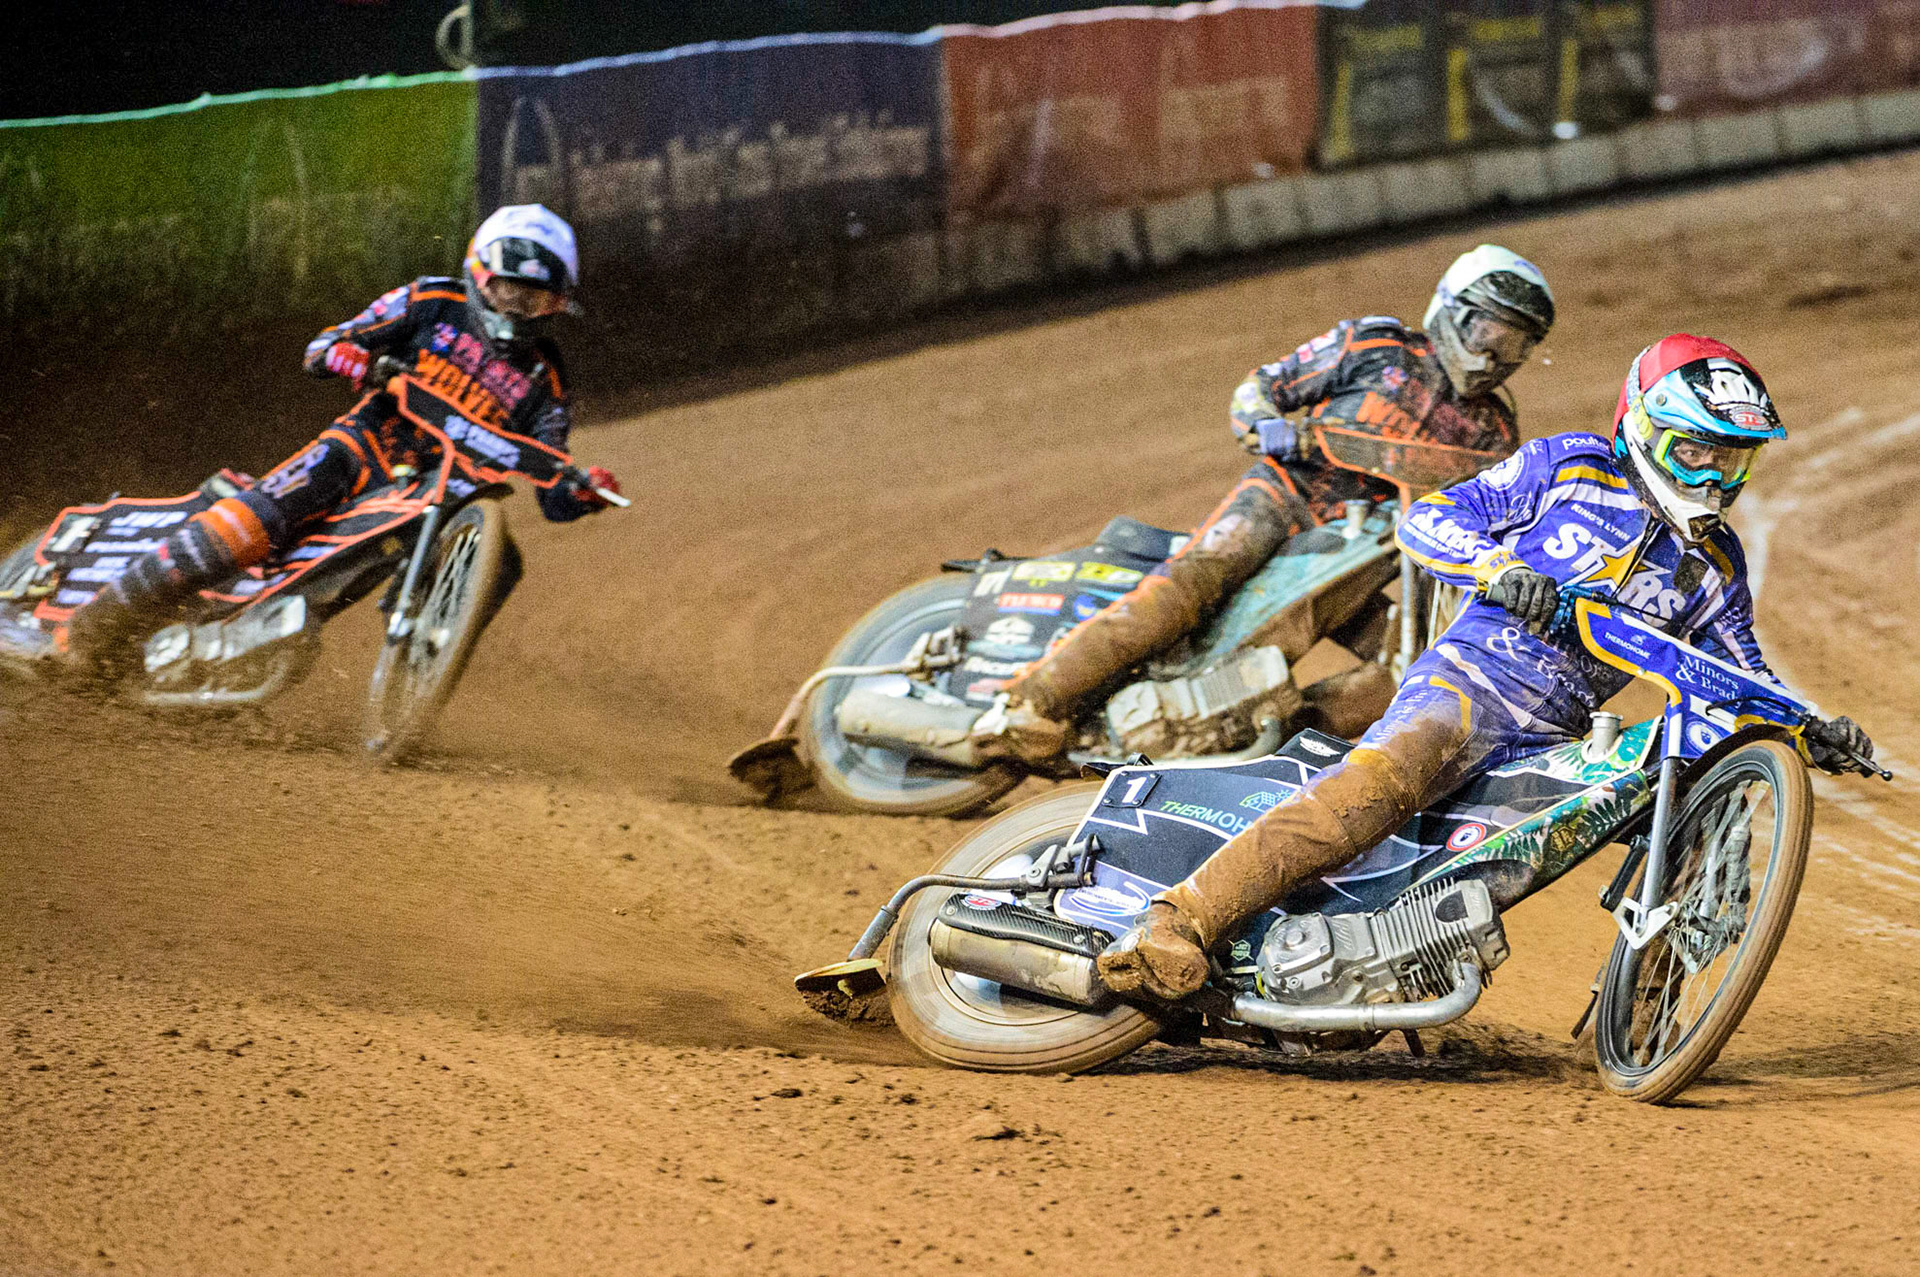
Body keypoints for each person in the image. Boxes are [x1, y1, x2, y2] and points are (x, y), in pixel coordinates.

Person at [1096, 333, 1875, 1001]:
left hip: (1561, 740)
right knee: (1384, 781)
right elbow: (1432, 518)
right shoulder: (1570, 466)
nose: (1710, 478)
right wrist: (1498, 569)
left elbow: (1746, 674)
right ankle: (1176, 919)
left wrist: (1812, 730)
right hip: (1470, 682)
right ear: (1643, 430)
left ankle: (1655, 1010)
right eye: (1694, 452)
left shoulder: (1716, 567)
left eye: (1731, 459)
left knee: (1702, 799)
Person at [971, 244, 1555, 763]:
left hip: (1364, 557)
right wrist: (1264, 424)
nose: (1495, 358)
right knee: (1189, 588)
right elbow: (1263, 387)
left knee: (1404, 676)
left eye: (1517, 347)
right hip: (1285, 496)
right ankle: (1028, 700)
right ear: (1453, 310)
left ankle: (1267, 746)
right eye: (1490, 336)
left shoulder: (1494, 431)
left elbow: (1484, 514)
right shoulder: (1377, 346)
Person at [64, 204, 620, 665]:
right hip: (362, 448)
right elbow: (325, 347)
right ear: (479, 277)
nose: (519, 310)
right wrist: (360, 363)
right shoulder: (432, 301)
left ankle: (420, 655)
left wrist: (583, 492)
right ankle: (98, 624)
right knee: (260, 516)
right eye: (508, 293)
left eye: (535, 299)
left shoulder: (546, 381)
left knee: (504, 564)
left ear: (557, 305)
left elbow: (552, 487)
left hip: (436, 498)